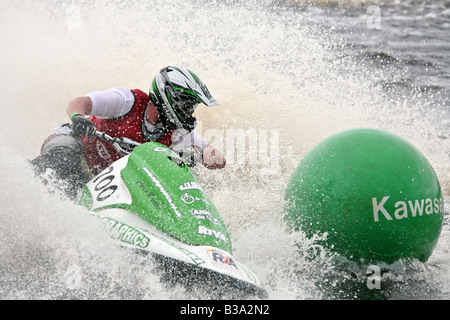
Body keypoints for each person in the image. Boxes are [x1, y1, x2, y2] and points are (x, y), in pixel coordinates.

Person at [31, 66, 226, 200]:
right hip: (75, 145)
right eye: (186, 106)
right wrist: (78, 117)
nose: (189, 113)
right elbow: (78, 103)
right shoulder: (127, 101)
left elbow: (215, 156)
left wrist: (208, 156)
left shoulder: (176, 134)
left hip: (102, 182)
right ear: (169, 98)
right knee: (62, 166)